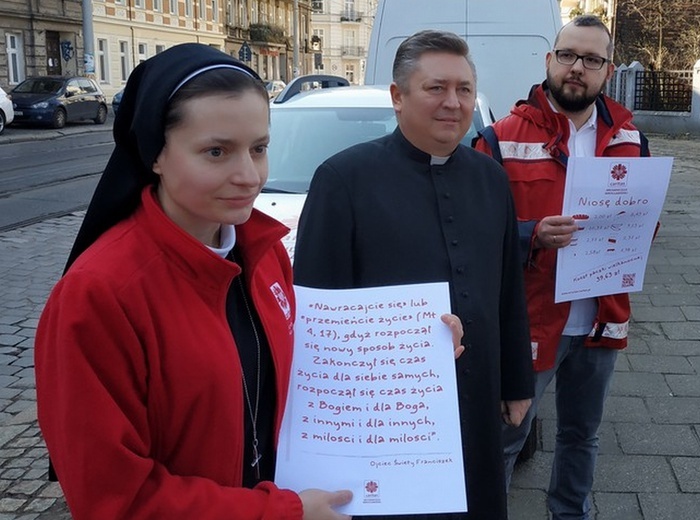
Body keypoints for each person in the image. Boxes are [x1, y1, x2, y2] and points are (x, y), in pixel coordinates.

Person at [33, 43, 354, 520]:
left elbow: (302, 370)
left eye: (259, 148)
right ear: (156, 154)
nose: (249, 176)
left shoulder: (264, 255)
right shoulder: (98, 295)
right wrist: (280, 513)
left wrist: (416, 347)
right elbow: (114, 500)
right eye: (216, 151)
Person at [293, 30, 534, 520]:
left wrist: (517, 381)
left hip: (477, 395)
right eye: (436, 88)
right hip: (384, 413)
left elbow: (508, 290)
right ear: (398, 97)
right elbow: (317, 313)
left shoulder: (490, 177)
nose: (453, 102)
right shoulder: (343, 179)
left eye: (464, 90)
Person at [474, 15, 650, 520]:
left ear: (608, 71)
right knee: (506, 440)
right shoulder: (500, 139)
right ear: (549, 60)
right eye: (569, 55)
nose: (578, 68)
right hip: (529, 320)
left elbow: (643, 230)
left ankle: (570, 513)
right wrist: (532, 235)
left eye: (592, 60)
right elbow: (476, 236)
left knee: (582, 436)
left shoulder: (631, 141)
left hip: (601, 318)